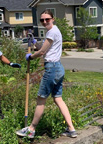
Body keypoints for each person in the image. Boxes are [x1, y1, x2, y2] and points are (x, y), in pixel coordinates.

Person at [16, 10, 77, 139]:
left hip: (52, 69)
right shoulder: (55, 31)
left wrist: (30, 57)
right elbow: (45, 48)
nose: (44, 22)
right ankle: (71, 129)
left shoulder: (52, 32)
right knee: (58, 98)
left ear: (53, 19)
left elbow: (42, 52)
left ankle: (31, 129)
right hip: (58, 67)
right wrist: (34, 43)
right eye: (42, 20)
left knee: (41, 100)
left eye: (47, 19)